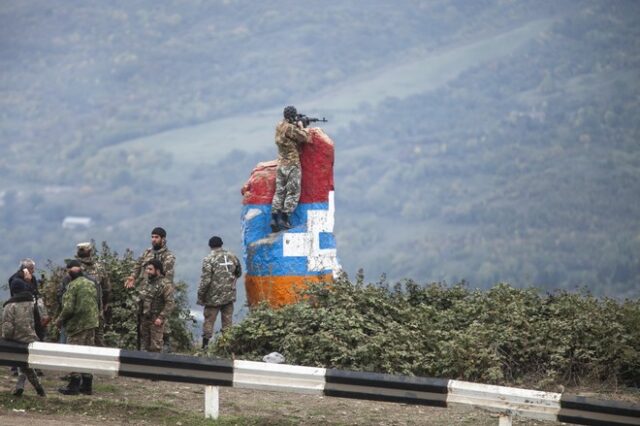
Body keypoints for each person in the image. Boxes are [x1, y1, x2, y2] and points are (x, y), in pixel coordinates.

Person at [124, 227, 176, 351]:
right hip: (144, 292)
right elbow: (138, 265)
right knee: (143, 329)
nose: (153, 240)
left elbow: (167, 279)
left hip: (158, 295)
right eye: (152, 237)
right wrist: (133, 277)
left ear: (163, 239)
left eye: (156, 237)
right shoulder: (147, 252)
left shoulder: (168, 257)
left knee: (159, 326)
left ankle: (163, 345)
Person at [56, 259, 99, 396]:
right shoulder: (91, 284)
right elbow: (97, 301)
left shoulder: (72, 286)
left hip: (77, 326)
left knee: (73, 354)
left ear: (69, 273)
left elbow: (68, 308)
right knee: (87, 355)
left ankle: (73, 385)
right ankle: (87, 385)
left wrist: (59, 320)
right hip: (91, 324)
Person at [270, 105, 310, 232]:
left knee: (279, 192)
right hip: (292, 164)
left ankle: (274, 219)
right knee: (292, 192)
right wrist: (301, 126)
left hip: (281, 164)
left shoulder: (279, 125)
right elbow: (305, 137)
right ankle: (285, 219)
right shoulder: (291, 128)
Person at [197, 236, 242, 348]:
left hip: (213, 298)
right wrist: (233, 284)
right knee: (227, 323)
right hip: (229, 296)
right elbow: (238, 272)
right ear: (221, 244)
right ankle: (227, 347)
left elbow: (206, 280)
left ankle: (205, 347)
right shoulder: (232, 257)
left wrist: (201, 296)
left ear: (210, 246)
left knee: (209, 322)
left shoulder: (208, 259)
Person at [2, 290, 46, 397]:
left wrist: (5, 338)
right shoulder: (33, 304)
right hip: (31, 338)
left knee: (22, 362)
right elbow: (41, 321)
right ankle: (36, 389)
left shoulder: (9, 306)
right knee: (24, 363)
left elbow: (8, 327)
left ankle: (28, 387)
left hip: (16, 339)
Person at [74, 242, 111, 347]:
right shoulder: (100, 267)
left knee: (80, 340)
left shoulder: (73, 267)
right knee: (98, 339)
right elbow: (107, 289)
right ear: (90, 251)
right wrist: (104, 305)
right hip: (96, 309)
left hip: (80, 311)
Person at [138, 259, 174, 352]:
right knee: (143, 346)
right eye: (147, 269)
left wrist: (161, 317)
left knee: (155, 347)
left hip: (156, 320)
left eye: (150, 269)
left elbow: (169, 303)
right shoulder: (146, 282)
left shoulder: (165, 284)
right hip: (144, 319)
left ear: (157, 271)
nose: (147, 271)